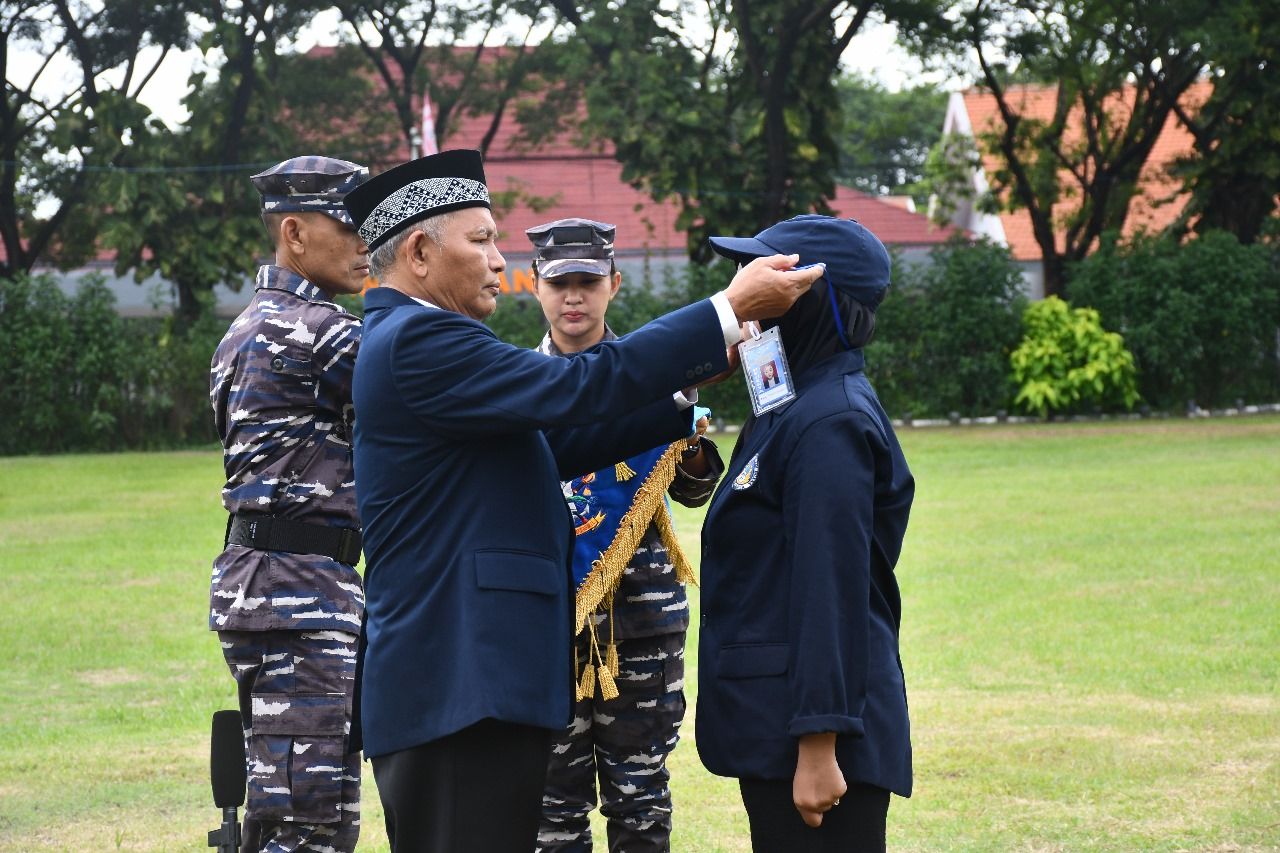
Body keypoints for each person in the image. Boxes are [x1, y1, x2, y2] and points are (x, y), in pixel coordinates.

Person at [340, 149, 823, 853]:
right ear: (418, 252)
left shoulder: (419, 338)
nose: (497, 261)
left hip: (472, 686)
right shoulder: (419, 340)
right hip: (458, 689)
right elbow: (575, 389)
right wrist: (727, 309)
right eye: (481, 241)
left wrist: (684, 392)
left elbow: (553, 442)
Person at [695, 214, 915, 852]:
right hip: (782, 725)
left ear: (809, 301)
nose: (747, 290)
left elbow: (830, 588)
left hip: (817, 743)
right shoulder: (792, 402)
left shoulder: (830, 423)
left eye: (766, 277)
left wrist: (819, 746)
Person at [526, 218, 725, 852]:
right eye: (560, 284)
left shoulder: (655, 376)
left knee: (640, 799)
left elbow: (690, 493)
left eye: (588, 282)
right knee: (552, 808)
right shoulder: (514, 386)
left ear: (613, 283)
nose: (574, 297)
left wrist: (691, 452)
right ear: (535, 288)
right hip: (546, 625)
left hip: (641, 620)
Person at [208, 156, 370, 853]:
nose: (368, 242)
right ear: (296, 233)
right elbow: (430, 381)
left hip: (275, 590)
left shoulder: (244, 329)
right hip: (298, 596)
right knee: (307, 826)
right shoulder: (318, 331)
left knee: (310, 813)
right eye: (350, 225)